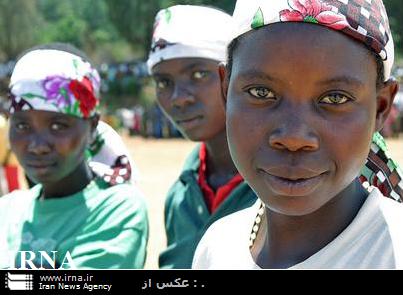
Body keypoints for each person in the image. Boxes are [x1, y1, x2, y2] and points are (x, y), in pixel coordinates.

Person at [193, 0, 403, 269]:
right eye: (261, 93)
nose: (294, 138)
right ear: (225, 91)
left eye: (335, 98)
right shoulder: (218, 246)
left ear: (381, 108)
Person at [0, 43, 148, 269]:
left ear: (92, 127)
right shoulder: (8, 210)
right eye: (22, 125)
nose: (38, 146)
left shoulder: (116, 209)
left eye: (58, 125)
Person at [147, 5, 258, 268]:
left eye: (198, 75)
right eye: (163, 82)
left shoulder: (283, 182)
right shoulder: (181, 195)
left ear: (233, 75)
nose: (179, 98)